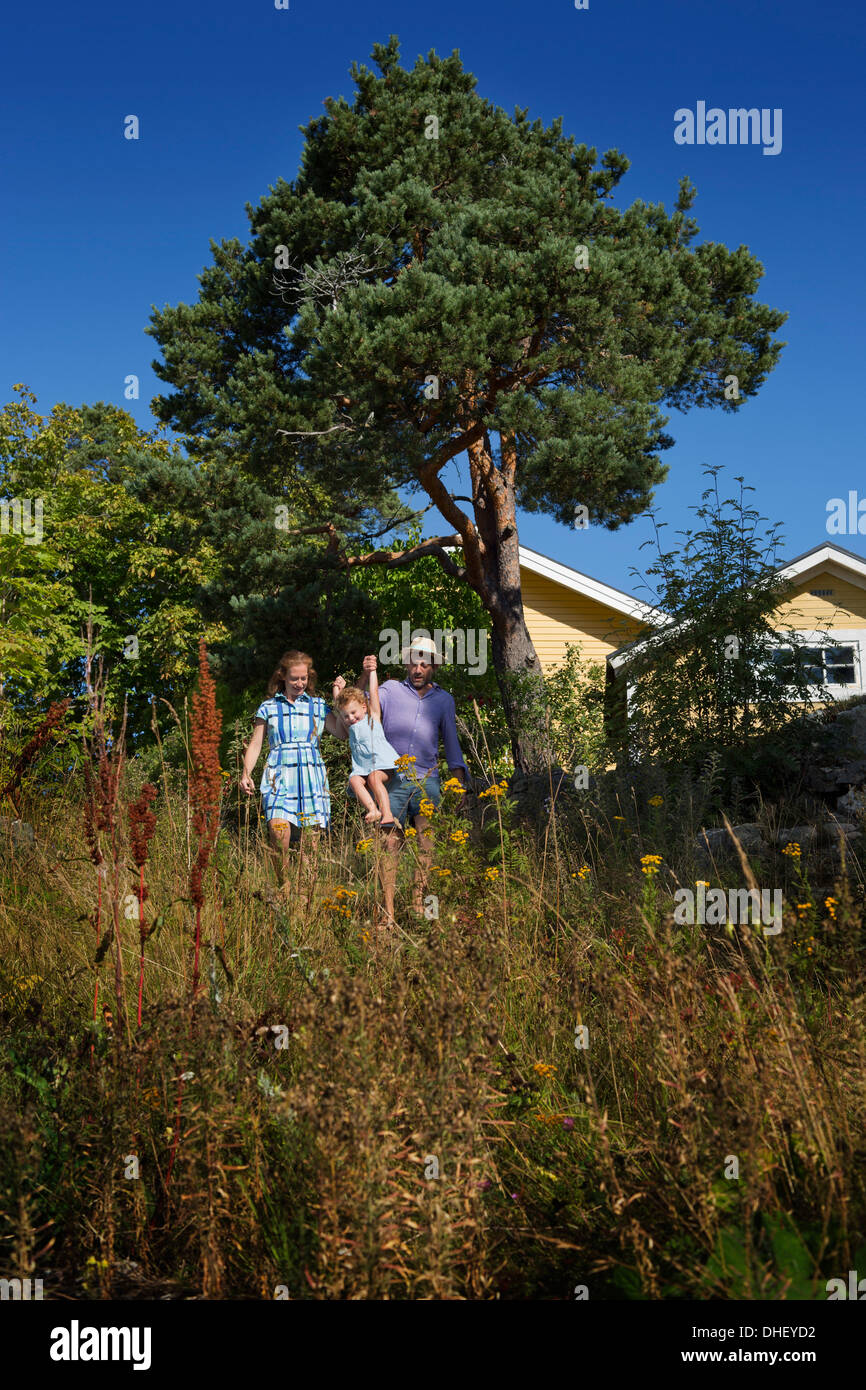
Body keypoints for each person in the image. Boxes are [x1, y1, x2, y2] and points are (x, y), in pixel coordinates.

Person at [359, 639, 469, 925]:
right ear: (407, 663)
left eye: (425, 663)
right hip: (392, 779)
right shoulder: (391, 690)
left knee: (427, 842)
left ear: (433, 666)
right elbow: (362, 704)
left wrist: (459, 783)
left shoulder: (444, 700)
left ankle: (419, 901)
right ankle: (388, 912)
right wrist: (366, 673)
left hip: (427, 779)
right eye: (414, 662)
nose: (418, 669)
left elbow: (451, 743)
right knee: (389, 844)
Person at [240, 649, 347, 883]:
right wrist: (246, 773)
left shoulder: (318, 706)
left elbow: (341, 733)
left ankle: (305, 897)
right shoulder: (268, 708)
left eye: (304, 678)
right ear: (282, 678)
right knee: (279, 833)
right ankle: (284, 886)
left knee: (311, 843)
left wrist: (339, 698)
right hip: (278, 775)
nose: (300, 683)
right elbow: (256, 743)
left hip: (311, 775)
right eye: (294, 679)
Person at [333, 662, 400, 824]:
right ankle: (373, 809)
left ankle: (387, 813)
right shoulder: (350, 727)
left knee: (374, 778)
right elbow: (338, 706)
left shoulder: (373, 718)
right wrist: (337, 688)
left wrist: (372, 672)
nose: (350, 718)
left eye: (353, 713)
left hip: (383, 765)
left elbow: (374, 692)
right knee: (354, 780)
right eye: (346, 716)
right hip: (363, 768)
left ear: (364, 707)